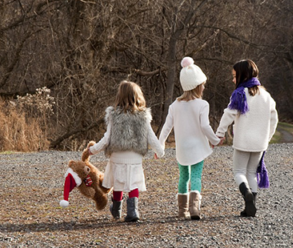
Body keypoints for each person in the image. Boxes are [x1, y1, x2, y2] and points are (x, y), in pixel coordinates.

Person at [88, 80, 164, 222]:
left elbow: (106, 139)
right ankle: (133, 212)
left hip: (117, 157)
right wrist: (160, 151)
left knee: (119, 183)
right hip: (134, 158)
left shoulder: (114, 115)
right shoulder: (143, 117)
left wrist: (92, 150)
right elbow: (151, 137)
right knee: (133, 183)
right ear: (138, 96)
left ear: (119, 96)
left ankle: (116, 211)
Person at [158, 57, 221, 220]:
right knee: (196, 176)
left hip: (182, 149)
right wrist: (214, 140)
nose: (204, 86)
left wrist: (161, 145)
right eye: (203, 84)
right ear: (197, 86)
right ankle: (194, 208)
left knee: (183, 177)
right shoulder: (202, 104)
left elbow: (166, 127)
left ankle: (182, 210)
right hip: (197, 148)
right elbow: (205, 126)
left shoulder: (174, 106)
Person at [215, 59, 278, 217]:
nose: (233, 80)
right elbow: (274, 119)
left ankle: (247, 194)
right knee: (251, 172)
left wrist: (219, 133)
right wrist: (267, 137)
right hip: (260, 143)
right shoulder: (266, 95)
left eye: (235, 76)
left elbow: (228, 115)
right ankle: (251, 206)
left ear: (243, 76)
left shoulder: (239, 94)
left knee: (238, 172)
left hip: (242, 141)